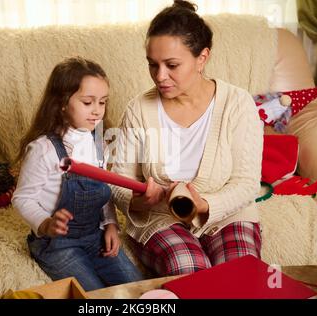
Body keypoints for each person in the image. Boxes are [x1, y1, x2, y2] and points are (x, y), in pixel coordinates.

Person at [110, 0, 264, 276]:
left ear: (202, 58)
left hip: (227, 216)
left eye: (171, 65)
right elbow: (118, 182)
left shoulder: (237, 103)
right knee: (189, 269)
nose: (160, 76)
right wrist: (137, 201)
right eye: (152, 65)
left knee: (240, 276)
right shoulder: (138, 109)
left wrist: (206, 206)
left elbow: (246, 183)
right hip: (160, 219)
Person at [12, 57, 143, 291]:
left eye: (102, 102)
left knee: (137, 289)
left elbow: (101, 191)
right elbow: (22, 198)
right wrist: (45, 223)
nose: (97, 111)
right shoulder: (44, 149)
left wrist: (111, 225)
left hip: (94, 235)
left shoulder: (99, 141)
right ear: (62, 103)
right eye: (87, 102)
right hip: (57, 244)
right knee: (93, 294)